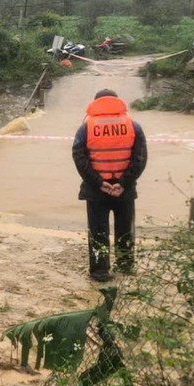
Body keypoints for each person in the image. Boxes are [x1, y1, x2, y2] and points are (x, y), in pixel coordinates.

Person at [72, 89, 147, 282]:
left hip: (96, 190)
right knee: (125, 232)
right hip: (125, 190)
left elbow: (80, 159)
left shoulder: (86, 128)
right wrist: (123, 183)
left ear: (96, 103)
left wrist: (100, 183)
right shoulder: (133, 126)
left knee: (98, 232)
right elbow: (140, 159)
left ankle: (100, 272)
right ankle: (125, 266)